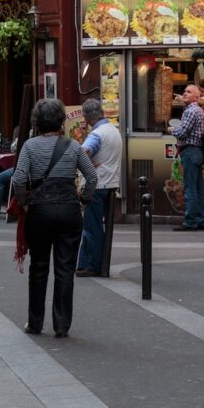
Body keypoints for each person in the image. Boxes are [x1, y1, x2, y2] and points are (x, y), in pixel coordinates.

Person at [12, 99, 96, 338]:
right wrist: (83, 201)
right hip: (69, 211)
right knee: (65, 269)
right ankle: (61, 325)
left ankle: (35, 322)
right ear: (61, 120)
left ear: (36, 121)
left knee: (39, 267)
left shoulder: (29, 146)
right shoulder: (73, 146)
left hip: (39, 211)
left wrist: (24, 203)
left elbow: (18, 179)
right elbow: (92, 177)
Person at [75, 98, 122, 277]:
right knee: (97, 226)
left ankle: (92, 264)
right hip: (110, 183)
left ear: (88, 117)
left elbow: (82, 153)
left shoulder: (96, 134)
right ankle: (90, 263)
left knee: (91, 226)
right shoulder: (113, 130)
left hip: (97, 184)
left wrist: (86, 167)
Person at [169, 84, 204, 231]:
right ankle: (203, 220)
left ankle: (190, 221)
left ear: (196, 98)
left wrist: (171, 129)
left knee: (190, 188)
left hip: (190, 151)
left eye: (189, 92)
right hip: (196, 152)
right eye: (185, 91)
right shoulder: (197, 109)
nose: (185, 93)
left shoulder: (191, 111)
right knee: (199, 188)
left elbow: (182, 133)